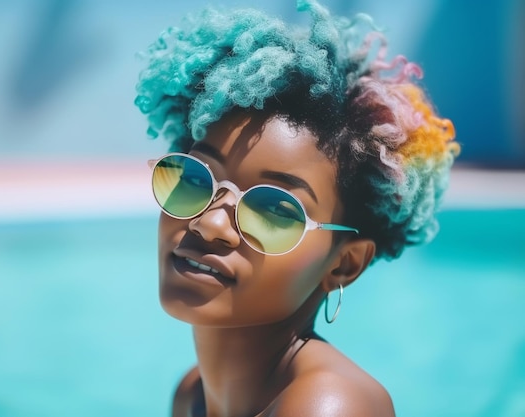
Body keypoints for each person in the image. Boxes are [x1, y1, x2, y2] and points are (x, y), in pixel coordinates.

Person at [135, 1, 459, 416]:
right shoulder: (192, 396)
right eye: (196, 179)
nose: (212, 222)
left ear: (343, 265)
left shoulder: (331, 406)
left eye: (273, 210)